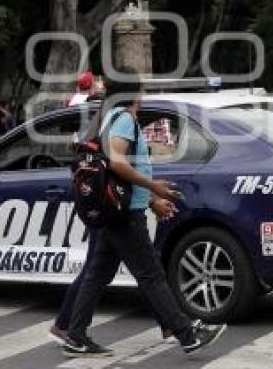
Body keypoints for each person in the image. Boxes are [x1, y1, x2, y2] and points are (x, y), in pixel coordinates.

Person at [62, 67, 226, 357]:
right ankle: (187, 334)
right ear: (133, 92)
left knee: (98, 273)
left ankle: (75, 335)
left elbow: (121, 172)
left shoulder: (110, 115)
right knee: (150, 274)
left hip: (116, 208)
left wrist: (150, 198)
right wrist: (154, 188)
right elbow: (117, 164)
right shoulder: (122, 118)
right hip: (124, 213)